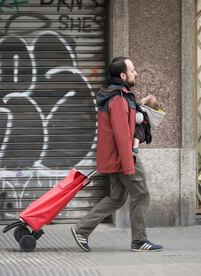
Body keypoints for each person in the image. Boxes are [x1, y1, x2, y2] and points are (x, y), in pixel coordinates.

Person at [71, 57, 163, 252]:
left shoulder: (114, 95)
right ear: (123, 75)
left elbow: (125, 119)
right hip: (125, 156)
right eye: (132, 70)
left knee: (117, 198)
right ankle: (139, 241)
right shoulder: (118, 98)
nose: (135, 73)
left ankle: (81, 229)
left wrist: (140, 104)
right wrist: (128, 164)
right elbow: (122, 135)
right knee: (141, 193)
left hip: (116, 157)